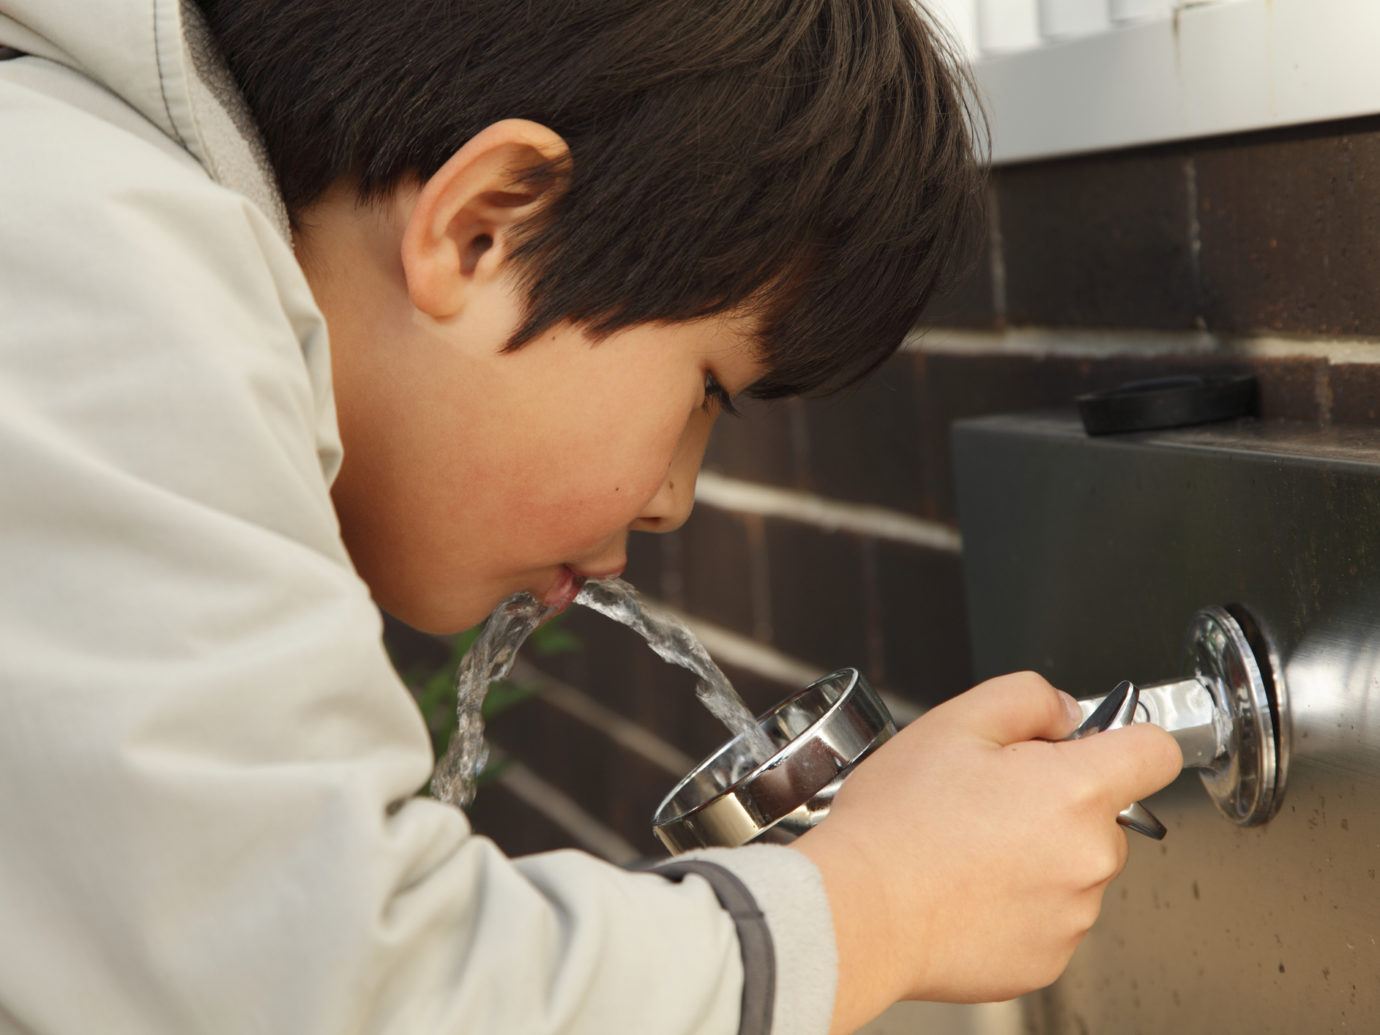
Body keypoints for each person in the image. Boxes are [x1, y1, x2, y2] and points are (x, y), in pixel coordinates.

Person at [0, 1, 1182, 1032]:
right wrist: (883, 903)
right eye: (706, 394)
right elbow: (330, 990)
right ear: (487, 226)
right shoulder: (87, 253)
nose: (672, 500)